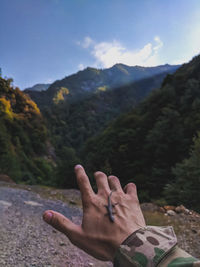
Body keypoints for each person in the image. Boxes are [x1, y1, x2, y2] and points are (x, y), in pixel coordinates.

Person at [43, 165, 200, 266]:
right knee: (110, 206)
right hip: (111, 211)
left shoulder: (110, 210)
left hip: (111, 211)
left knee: (110, 205)